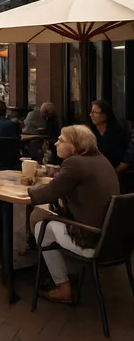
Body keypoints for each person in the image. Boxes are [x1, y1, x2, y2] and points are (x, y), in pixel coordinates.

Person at [28, 125, 119, 303]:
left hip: (91, 240)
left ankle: (63, 287)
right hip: (114, 243)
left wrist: (28, 188)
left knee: (41, 226)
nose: (56, 143)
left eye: (61, 140)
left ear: (74, 145)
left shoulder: (75, 163)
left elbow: (45, 194)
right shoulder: (100, 159)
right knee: (46, 221)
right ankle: (64, 277)